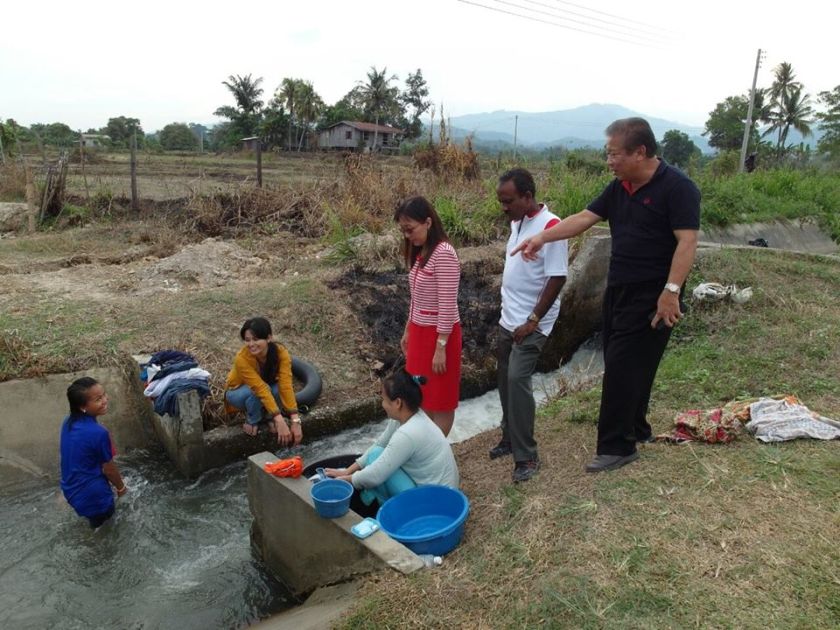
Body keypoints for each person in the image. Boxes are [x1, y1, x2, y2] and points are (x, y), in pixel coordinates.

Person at [511, 117, 701, 472]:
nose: (609, 161)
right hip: (619, 288)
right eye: (607, 154)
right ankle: (637, 427)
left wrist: (671, 291)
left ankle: (617, 446)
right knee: (627, 362)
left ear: (640, 152)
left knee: (625, 367)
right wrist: (542, 237)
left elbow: (687, 241)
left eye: (614, 154)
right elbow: (585, 217)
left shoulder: (678, 187)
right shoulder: (620, 187)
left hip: (655, 292)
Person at [490, 168, 568, 483]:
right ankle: (509, 437)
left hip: (532, 323)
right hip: (508, 319)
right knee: (504, 380)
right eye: (501, 201)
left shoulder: (551, 226)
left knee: (517, 379)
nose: (503, 207)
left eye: (508, 201)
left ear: (527, 196)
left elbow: (557, 277)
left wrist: (533, 319)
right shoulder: (517, 222)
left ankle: (527, 456)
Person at [325, 369, 459, 505]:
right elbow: (380, 444)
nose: (382, 404)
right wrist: (347, 471)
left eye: (384, 399)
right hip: (439, 493)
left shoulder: (407, 433)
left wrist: (345, 480)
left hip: (434, 503)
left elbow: (375, 475)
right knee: (376, 454)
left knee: (375, 471)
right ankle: (375, 498)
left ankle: (382, 506)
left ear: (398, 403)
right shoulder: (410, 416)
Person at [394, 196, 462, 437]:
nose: (407, 236)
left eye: (410, 229)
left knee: (441, 398)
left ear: (428, 222)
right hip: (420, 332)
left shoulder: (443, 253)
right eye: (403, 231)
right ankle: (425, 445)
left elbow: (447, 304)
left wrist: (441, 346)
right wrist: (408, 330)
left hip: (440, 335)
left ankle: (436, 449)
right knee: (421, 395)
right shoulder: (422, 252)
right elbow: (417, 298)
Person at [60, 377, 127, 528]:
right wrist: (121, 489)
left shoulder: (68, 422)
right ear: (82, 407)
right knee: (107, 531)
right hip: (95, 498)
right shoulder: (98, 433)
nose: (105, 400)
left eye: (104, 394)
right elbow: (109, 469)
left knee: (95, 525)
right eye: (98, 399)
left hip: (71, 490)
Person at [225, 317, 302, 446]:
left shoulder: (281, 353)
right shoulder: (241, 358)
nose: (251, 344)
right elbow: (259, 388)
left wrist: (295, 420)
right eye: (247, 340)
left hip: (263, 388)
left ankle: (268, 417)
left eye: (256, 339)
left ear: (269, 338)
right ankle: (252, 419)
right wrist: (280, 420)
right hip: (237, 393)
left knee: (277, 388)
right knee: (262, 390)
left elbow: (286, 386)